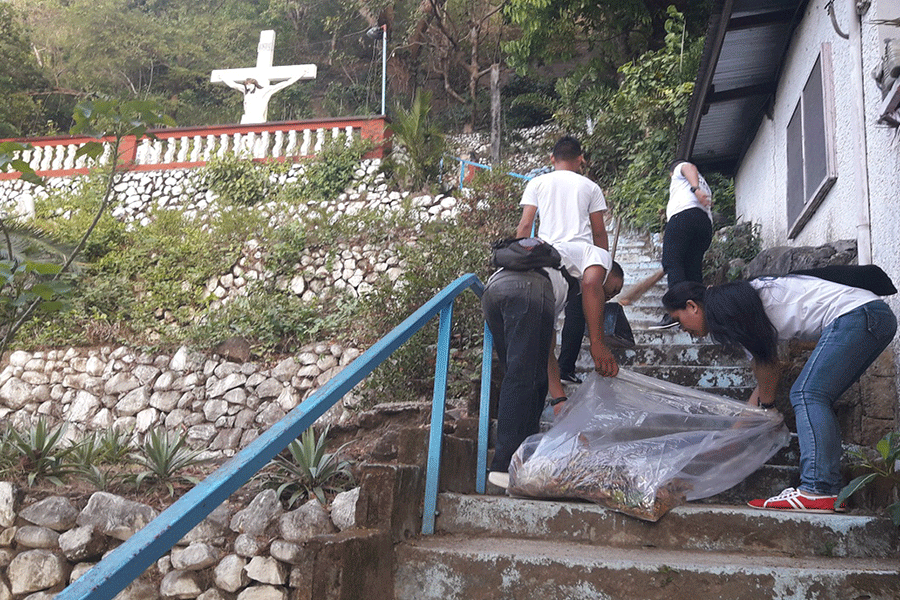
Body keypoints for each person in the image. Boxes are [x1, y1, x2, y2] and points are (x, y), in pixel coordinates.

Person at [662, 275, 897, 511]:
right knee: (814, 395)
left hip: (857, 316)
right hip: (871, 317)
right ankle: (827, 488)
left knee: (807, 394)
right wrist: (735, 436)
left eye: (678, 321)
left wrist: (768, 410)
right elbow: (765, 374)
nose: (683, 330)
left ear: (692, 306)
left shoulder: (733, 307)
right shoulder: (738, 304)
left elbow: (768, 369)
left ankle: (818, 488)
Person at [483, 258, 624, 489]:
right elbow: (592, 286)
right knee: (523, 377)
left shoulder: (559, 276)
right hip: (527, 289)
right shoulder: (594, 264)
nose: (611, 296)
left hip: (495, 288)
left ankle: (521, 462)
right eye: (613, 289)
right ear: (605, 273)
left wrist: (559, 399)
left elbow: (548, 349)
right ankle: (503, 464)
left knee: (526, 375)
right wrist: (598, 343)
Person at [516, 136, 611, 385]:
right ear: (580, 159)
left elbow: (526, 225)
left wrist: (517, 260)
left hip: (549, 255)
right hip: (582, 257)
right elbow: (599, 231)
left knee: (548, 318)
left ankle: (552, 378)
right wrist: (605, 264)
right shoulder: (590, 187)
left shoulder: (537, 183)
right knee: (582, 302)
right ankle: (596, 343)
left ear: (551, 159)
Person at [650, 160, 713, 330]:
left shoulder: (681, 170)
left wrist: (695, 189)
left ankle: (677, 311)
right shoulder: (705, 184)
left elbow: (689, 167)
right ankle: (700, 312)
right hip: (704, 226)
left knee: (672, 262)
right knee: (692, 269)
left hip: (683, 218)